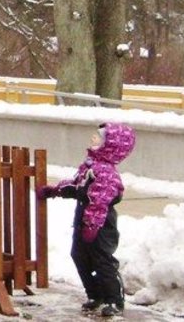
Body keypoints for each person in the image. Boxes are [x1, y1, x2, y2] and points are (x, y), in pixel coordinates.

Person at [38, 122, 136, 318]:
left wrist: (92, 225)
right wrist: (55, 190)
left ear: (110, 146)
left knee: (102, 260)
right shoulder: (90, 166)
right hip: (85, 220)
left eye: (99, 137)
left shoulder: (106, 172)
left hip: (101, 225)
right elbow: (77, 186)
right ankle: (95, 294)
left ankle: (114, 299)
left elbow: (99, 202)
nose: (93, 138)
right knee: (79, 255)